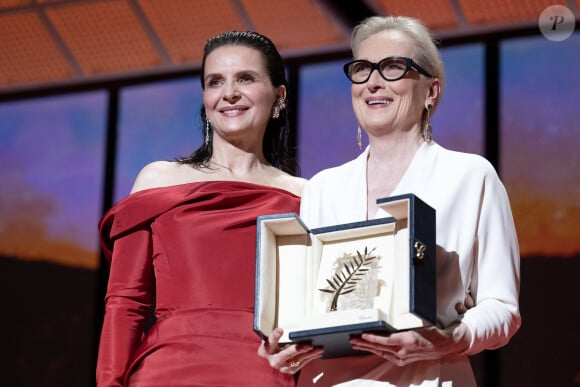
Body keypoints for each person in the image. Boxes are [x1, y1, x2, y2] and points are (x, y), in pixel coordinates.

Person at [259, 15, 521, 386]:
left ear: (431, 90)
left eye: (394, 67)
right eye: (362, 69)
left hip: (430, 378)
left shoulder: (471, 177)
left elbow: (503, 309)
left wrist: (448, 340)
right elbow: (309, 312)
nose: (373, 83)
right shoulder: (322, 188)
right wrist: (284, 345)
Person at [96, 30, 314, 386]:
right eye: (215, 82)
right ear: (205, 98)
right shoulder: (159, 180)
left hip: (263, 374)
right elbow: (125, 304)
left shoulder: (307, 196)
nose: (229, 92)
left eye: (245, 78)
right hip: (164, 374)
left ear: (279, 97)